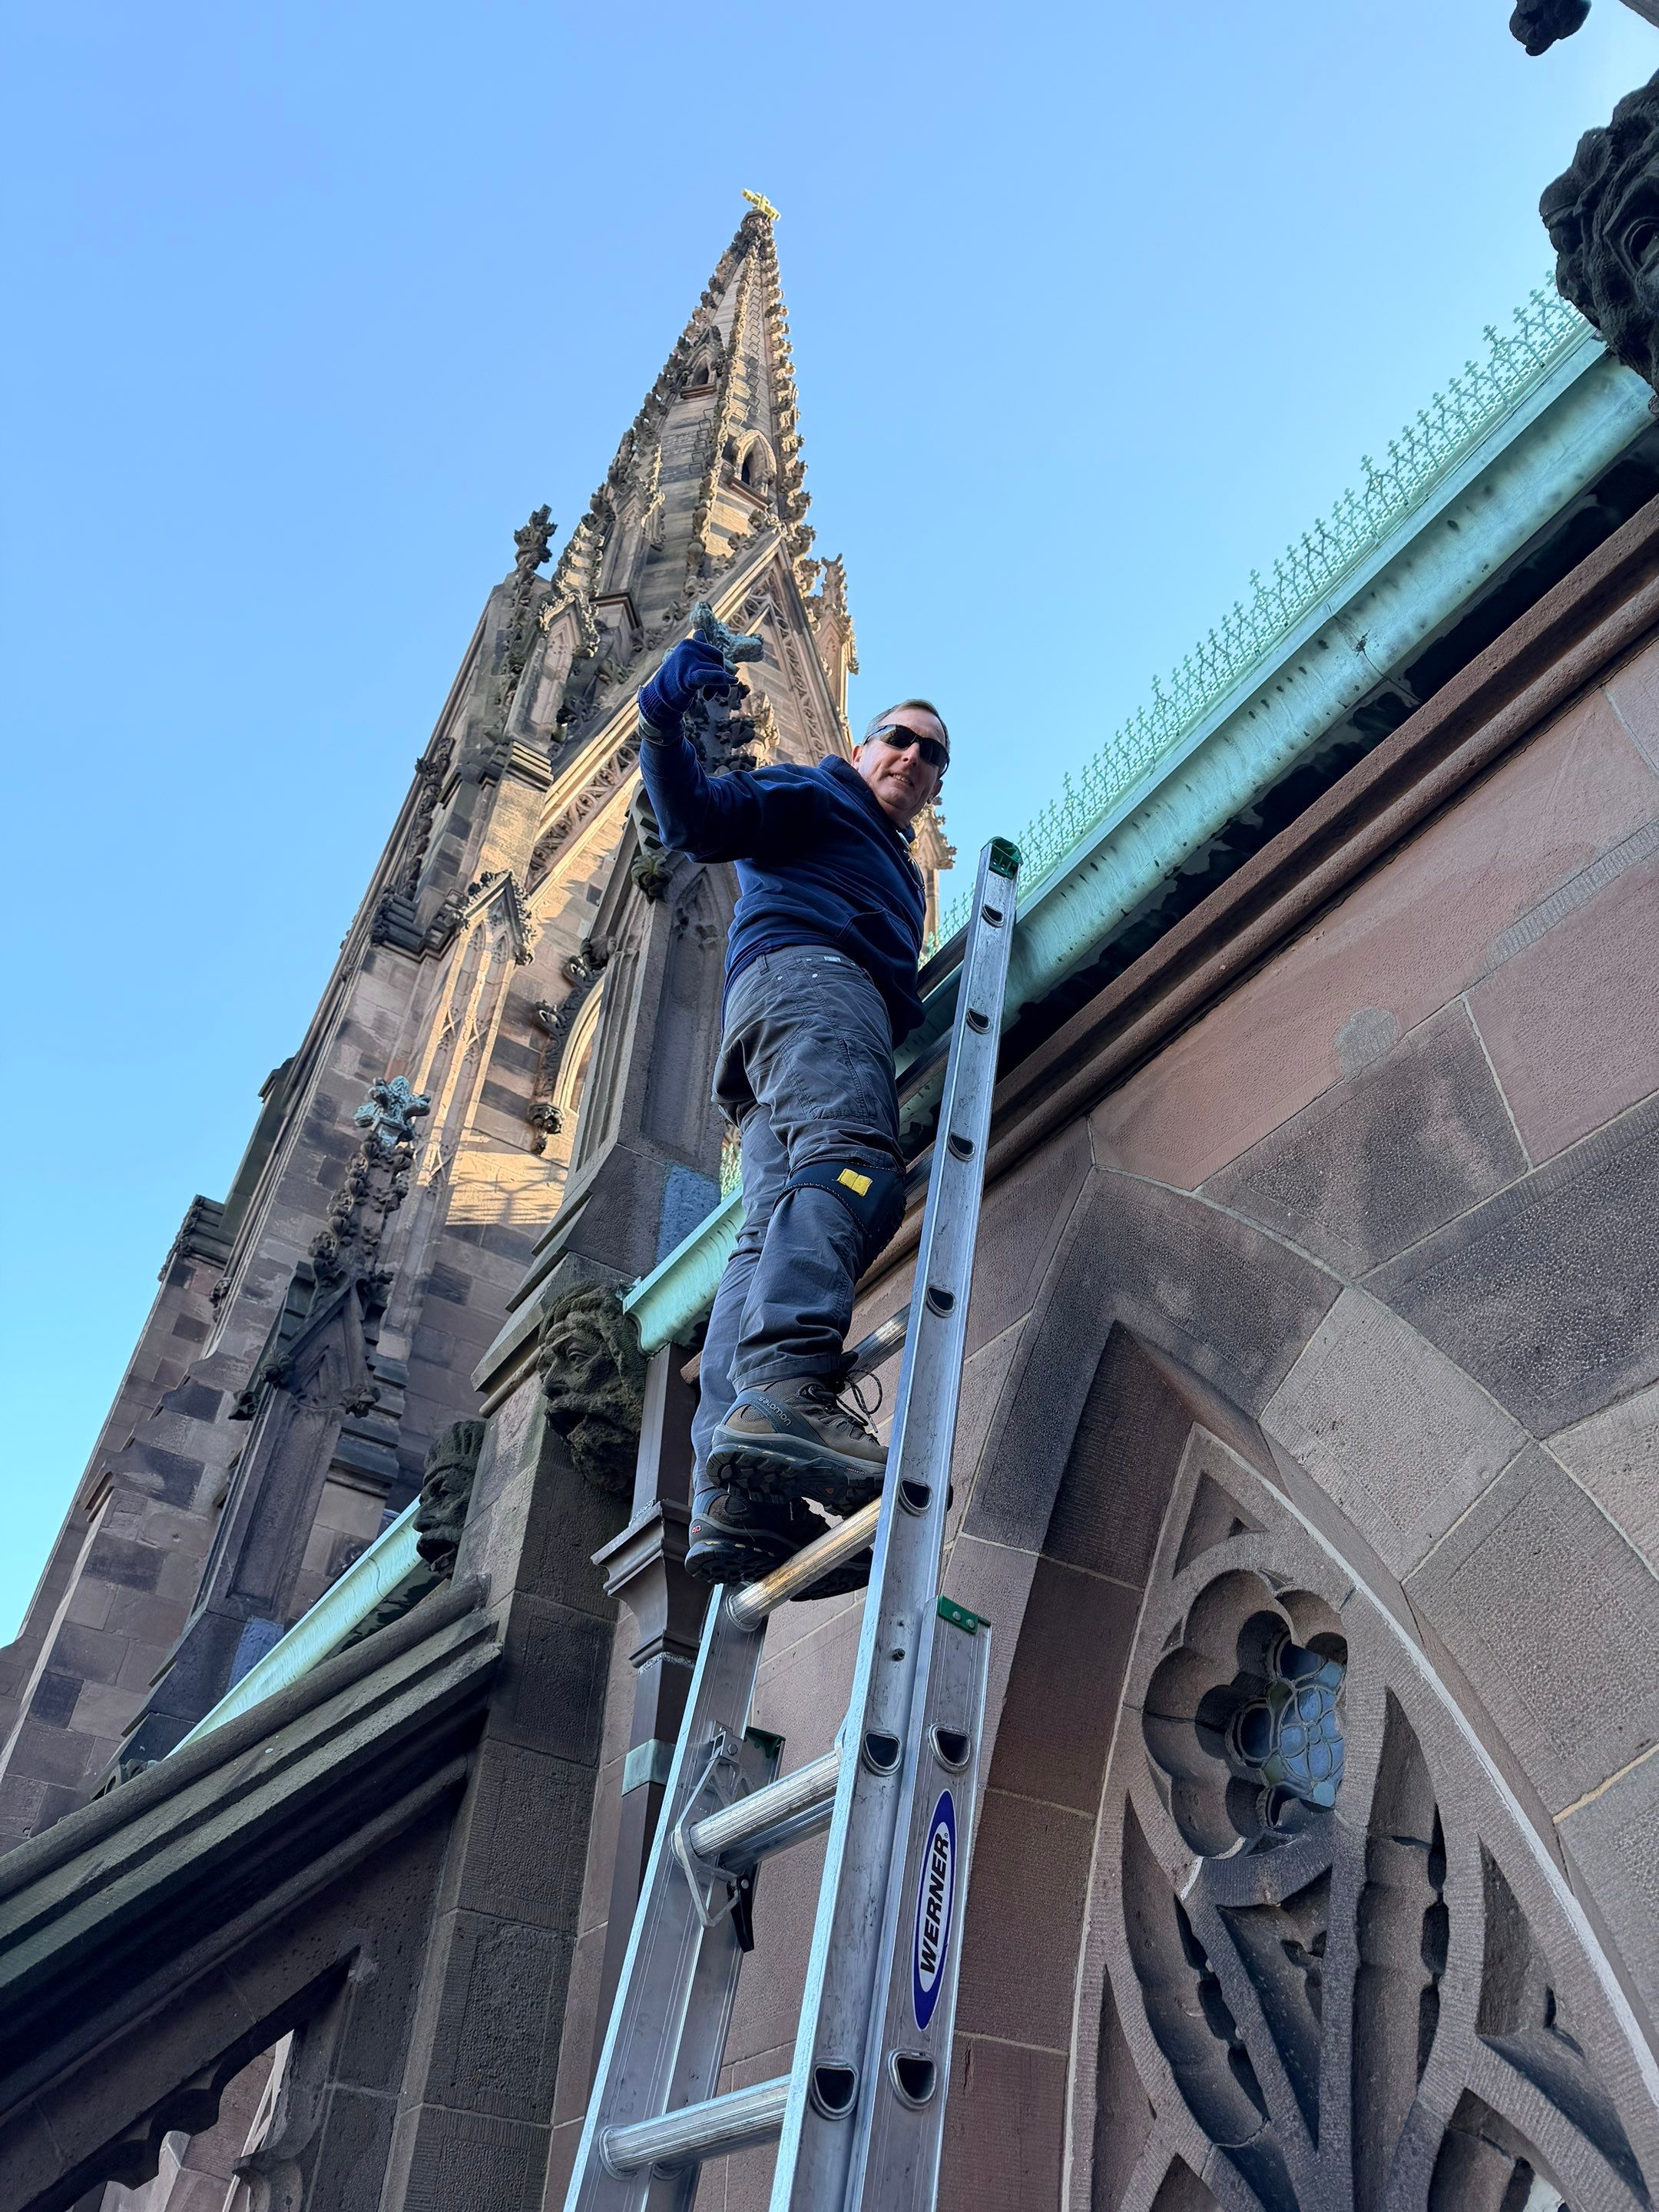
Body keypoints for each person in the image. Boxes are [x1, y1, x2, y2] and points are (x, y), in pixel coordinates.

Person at [635, 637, 949, 1586]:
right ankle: (785, 1390)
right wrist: (662, 718)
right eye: (898, 737)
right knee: (856, 1167)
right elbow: (693, 817)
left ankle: (740, 1492)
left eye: (933, 755)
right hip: (812, 989)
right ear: (860, 748)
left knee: (766, 1230)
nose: (913, 758)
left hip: (783, 1024)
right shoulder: (818, 796)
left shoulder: (897, 864)